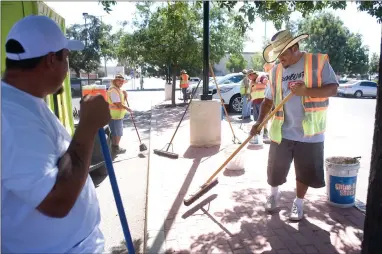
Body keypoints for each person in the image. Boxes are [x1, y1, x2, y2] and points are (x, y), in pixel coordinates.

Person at [2, 15, 109, 253]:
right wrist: (88, 126)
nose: (67, 67)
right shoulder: (9, 118)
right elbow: (56, 201)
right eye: (66, 57)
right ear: (51, 59)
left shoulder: (23, 102)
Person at [250, 30, 339, 221]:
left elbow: (333, 88)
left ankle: (299, 203)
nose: (280, 59)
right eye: (277, 55)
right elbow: (267, 101)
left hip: (310, 133)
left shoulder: (317, 62)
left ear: (295, 48)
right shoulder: (275, 71)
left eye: (283, 54)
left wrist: (306, 90)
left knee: (305, 171)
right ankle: (274, 194)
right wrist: (259, 122)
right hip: (282, 131)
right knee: (275, 168)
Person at [107, 74, 132, 154]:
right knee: (117, 133)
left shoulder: (118, 89)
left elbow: (121, 100)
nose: (121, 82)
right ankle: (115, 148)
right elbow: (118, 103)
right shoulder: (113, 90)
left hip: (117, 115)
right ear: (115, 81)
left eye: (122, 81)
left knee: (117, 132)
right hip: (114, 116)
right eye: (119, 80)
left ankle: (115, 147)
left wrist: (125, 95)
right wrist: (127, 108)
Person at [247, 69, 270, 143]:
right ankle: (258, 133)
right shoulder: (251, 81)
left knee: (263, 117)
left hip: (262, 100)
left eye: (249, 76)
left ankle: (265, 132)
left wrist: (256, 85)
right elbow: (251, 90)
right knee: (257, 118)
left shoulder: (261, 77)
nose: (249, 78)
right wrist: (250, 96)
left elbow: (266, 84)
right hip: (255, 101)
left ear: (252, 74)